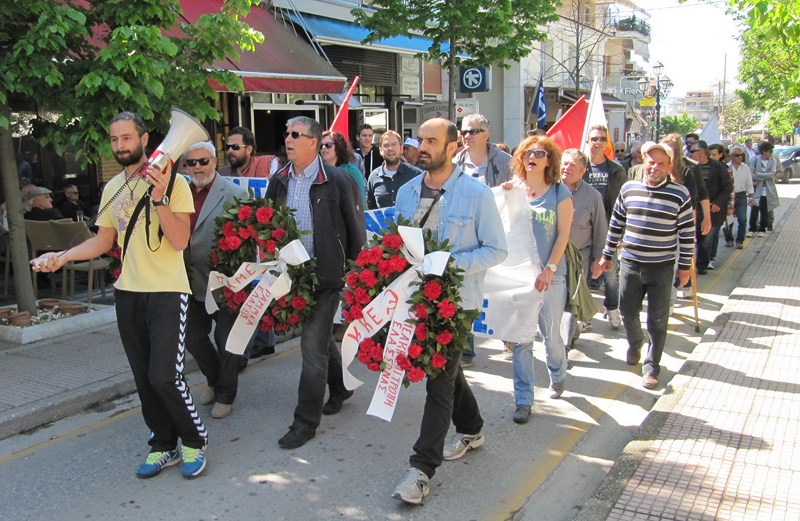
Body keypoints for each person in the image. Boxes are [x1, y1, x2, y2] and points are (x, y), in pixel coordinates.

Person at [31, 111, 208, 479]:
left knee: (165, 377)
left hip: (166, 292)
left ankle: (194, 440)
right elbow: (102, 240)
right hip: (128, 293)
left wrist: (159, 198)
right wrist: (59, 257)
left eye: (126, 138)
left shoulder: (175, 184)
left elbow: (179, 241)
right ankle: (163, 444)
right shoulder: (113, 189)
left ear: (145, 140)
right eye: (114, 140)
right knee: (143, 378)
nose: (120, 146)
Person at [391, 117, 507, 504]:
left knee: (438, 380)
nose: (421, 147)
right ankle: (471, 428)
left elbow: (496, 249)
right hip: (416, 300)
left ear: (454, 146)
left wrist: (449, 265)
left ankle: (421, 469)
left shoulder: (477, 194)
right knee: (448, 371)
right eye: (419, 140)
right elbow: (398, 243)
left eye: (431, 141)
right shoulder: (407, 191)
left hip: (457, 304)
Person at [265, 116, 366, 449]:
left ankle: (305, 422)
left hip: (326, 278)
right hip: (291, 277)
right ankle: (339, 388)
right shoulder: (279, 179)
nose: (288, 139)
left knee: (310, 346)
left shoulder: (337, 179)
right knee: (320, 342)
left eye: (296, 134)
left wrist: (351, 272)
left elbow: (355, 229)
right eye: (286, 133)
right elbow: (267, 223)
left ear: (314, 141)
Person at [599, 141, 695, 390]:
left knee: (658, 319)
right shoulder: (629, 189)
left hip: (662, 267)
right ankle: (635, 342)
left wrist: (684, 267)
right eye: (651, 162)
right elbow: (616, 224)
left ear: (669, 166)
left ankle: (652, 367)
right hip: (630, 264)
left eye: (661, 163)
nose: (655, 167)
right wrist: (607, 254)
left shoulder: (680, 194)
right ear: (643, 161)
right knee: (627, 311)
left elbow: (686, 233)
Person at [503, 135, 572, 424]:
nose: (532, 156)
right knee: (521, 340)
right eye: (528, 152)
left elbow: (563, 236)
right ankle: (523, 399)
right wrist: (504, 197)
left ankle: (557, 373)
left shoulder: (559, 192)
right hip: (521, 279)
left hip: (551, 277)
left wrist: (550, 269)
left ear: (549, 160)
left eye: (540, 153)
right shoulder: (512, 191)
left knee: (550, 335)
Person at [182, 141, 249, 420]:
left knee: (227, 341)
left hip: (224, 283)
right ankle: (213, 378)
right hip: (187, 281)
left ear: (214, 161)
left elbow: (249, 238)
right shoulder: (177, 193)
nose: (198, 167)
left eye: (203, 161)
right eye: (192, 163)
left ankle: (226, 394)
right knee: (193, 337)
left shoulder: (234, 193)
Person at [453, 113, 512, 366]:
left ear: (486, 134)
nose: (466, 136)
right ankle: (467, 350)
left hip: (497, 235)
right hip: (466, 236)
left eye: (472, 131)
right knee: (465, 292)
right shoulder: (455, 162)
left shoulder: (505, 162)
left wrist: (513, 189)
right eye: (463, 131)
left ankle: (509, 335)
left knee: (500, 292)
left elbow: (523, 190)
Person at [219, 126, 278, 360]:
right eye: (228, 147)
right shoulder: (223, 173)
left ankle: (260, 343)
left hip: (262, 245)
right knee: (245, 296)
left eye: (236, 147)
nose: (230, 151)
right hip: (236, 245)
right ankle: (249, 348)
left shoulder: (267, 164)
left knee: (259, 293)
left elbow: (279, 172)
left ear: (250, 149)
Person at [560, 149, 607, 349]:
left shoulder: (592, 196)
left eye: (572, 165)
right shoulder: (549, 189)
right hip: (551, 257)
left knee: (572, 302)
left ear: (583, 171)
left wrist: (599, 260)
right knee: (556, 303)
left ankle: (564, 346)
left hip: (580, 258)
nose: (566, 168)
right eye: (564, 163)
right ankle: (571, 332)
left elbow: (600, 229)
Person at [583, 124, 625, 329]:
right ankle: (584, 315)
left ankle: (613, 308)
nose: (597, 142)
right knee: (582, 275)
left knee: (610, 275)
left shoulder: (616, 170)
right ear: (587, 141)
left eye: (602, 139)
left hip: (609, 230)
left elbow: (623, 204)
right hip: (582, 230)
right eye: (594, 139)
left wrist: (621, 233)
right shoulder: (578, 168)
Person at [689, 140, 732, 272]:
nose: (690, 154)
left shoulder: (719, 167)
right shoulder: (690, 167)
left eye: (692, 151)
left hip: (712, 209)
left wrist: (719, 203)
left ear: (701, 152)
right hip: (694, 208)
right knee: (692, 237)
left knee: (707, 238)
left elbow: (727, 187)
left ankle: (702, 265)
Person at [367, 130, 423, 209]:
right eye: (386, 145)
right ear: (380, 150)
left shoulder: (416, 174)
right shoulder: (374, 177)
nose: (390, 149)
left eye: (394, 144)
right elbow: (371, 209)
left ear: (401, 148)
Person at [320, 130, 366, 207]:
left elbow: (360, 201)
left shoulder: (351, 170)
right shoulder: (318, 171)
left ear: (338, 146)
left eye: (328, 145)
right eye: (321, 146)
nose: (324, 148)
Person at [748, 140, 780, 236]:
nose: (771, 153)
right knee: (754, 208)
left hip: (767, 189)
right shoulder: (755, 160)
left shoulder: (773, 161)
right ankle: (752, 229)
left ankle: (762, 229)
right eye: (770, 151)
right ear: (764, 151)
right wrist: (763, 176)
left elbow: (772, 174)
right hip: (756, 189)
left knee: (765, 209)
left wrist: (760, 174)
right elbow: (751, 175)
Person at [727, 145, 755, 249]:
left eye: (741, 155)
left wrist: (751, 197)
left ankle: (740, 240)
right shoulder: (726, 167)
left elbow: (749, 184)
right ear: (731, 156)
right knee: (728, 219)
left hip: (741, 195)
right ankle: (729, 239)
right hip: (729, 196)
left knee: (742, 219)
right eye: (737, 155)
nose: (739, 157)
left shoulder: (745, 168)